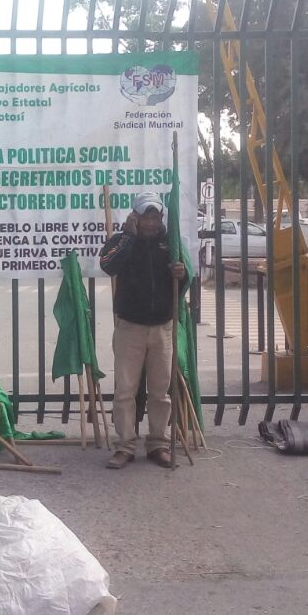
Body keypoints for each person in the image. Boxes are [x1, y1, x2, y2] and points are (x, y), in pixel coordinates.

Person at [98, 192, 188, 469]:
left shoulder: (170, 243)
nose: (151, 222)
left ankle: (158, 443)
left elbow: (183, 285)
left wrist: (180, 274)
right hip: (130, 327)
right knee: (125, 390)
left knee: (160, 391)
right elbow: (108, 265)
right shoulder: (122, 241)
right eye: (145, 216)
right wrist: (128, 236)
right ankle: (125, 446)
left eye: (155, 216)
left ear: (161, 217)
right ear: (135, 217)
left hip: (162, 326)